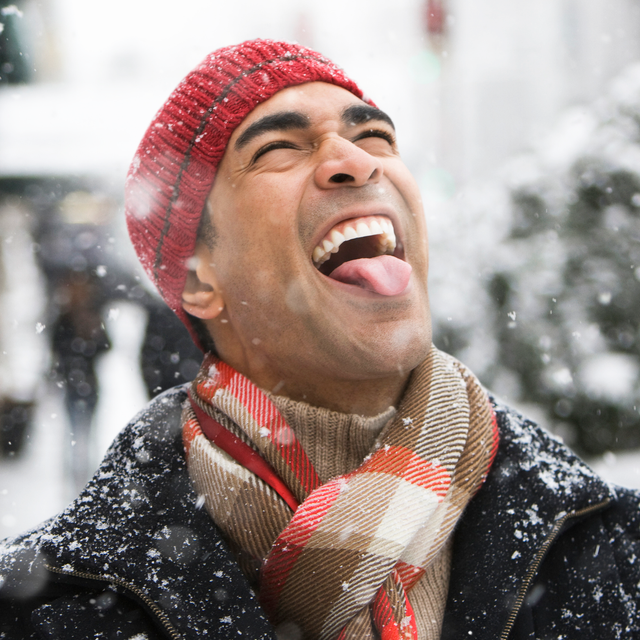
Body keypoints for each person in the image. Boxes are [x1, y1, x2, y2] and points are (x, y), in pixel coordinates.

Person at [1, 39, 639, 640]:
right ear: (200, 279)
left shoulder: (615, 549)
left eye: (375, 136)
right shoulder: (45, 609)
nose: (358, 161)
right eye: (280, 147)